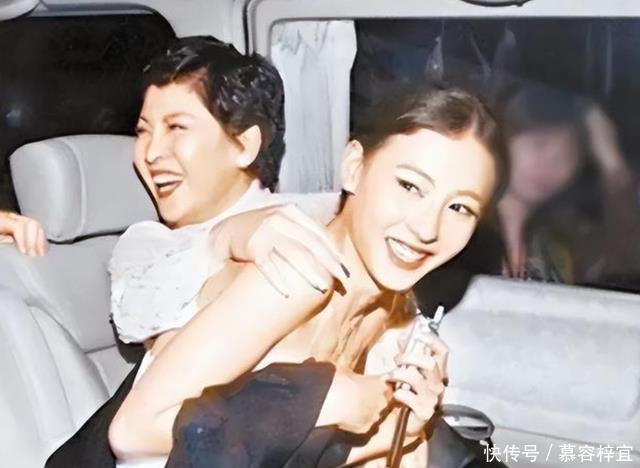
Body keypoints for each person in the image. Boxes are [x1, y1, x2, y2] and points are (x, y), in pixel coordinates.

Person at [107, 71, 501, 467]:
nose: (428, 229)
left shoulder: (392, 310)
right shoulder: (294, 277)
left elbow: (308, 450)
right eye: (409, 186)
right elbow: (133, 432)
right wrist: (326, 399)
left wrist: (407, 427)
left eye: (460, 208)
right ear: (354, 167)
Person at [494, 86, 640, 285]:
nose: (548, 165)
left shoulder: (557, 248)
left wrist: (612, 165)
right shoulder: (465, 225)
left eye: (565, 158)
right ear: (504, 139)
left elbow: (626, 258)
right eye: (539, 144)